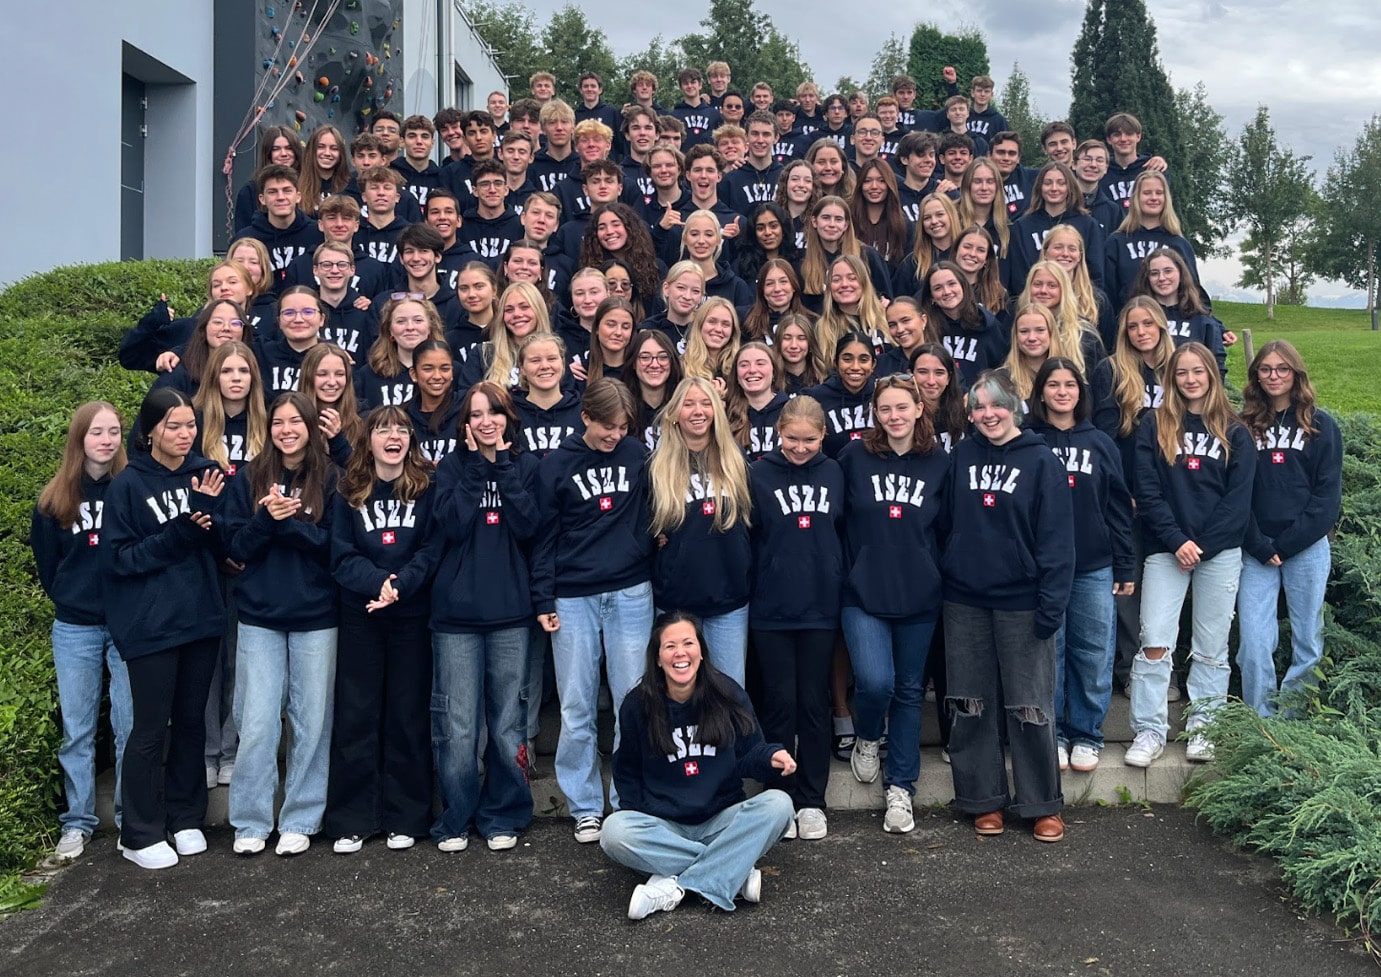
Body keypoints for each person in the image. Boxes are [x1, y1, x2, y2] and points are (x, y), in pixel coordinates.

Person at [942, 370, 1073, 843]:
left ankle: (1041, 804)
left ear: (1014, 406)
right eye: (978, 407)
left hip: (1023, 603)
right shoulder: (962, 455)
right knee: (970, 704)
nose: (988, 414)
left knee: (1030, 706)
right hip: (965, 600)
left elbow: (1057, 539)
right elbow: (945, 522)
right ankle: (984, 800)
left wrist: (1051, 604)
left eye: (996, 404)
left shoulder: (1041, 461)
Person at [601, 611, 796, 919]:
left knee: (779, 805)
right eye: (670, 646)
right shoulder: (637, 704)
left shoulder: (727, 693)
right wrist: (644, 816)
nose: (680, 653)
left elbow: (749, 754)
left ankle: (675, 885)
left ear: (701, 652)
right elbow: (626, 772)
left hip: (720, 820)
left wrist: (770, 757)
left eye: (688, 643)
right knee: (614, 832)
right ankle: (731, 872)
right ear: (657, 658)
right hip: (665, 826)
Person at [102, 388, 226, 869]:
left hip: (200, 617)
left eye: (190, 425)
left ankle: (186, 817)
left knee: (192, 723)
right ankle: (139, 832)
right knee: (150, 729)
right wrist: (183, 529)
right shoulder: (127, 486)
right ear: (150, 431)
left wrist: (213, 523)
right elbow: (121, 559)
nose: (184, 434)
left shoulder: (207, 474)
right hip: (150, 625)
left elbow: (224, 547)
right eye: (174, 426)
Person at [532, 379, 655, 844]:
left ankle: (627, 801)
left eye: (623, 427)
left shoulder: (637, 454)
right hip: (573, 596)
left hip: (631, 590)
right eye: (608, 427)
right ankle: (585, 805)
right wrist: (543, 598)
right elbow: (543, 538)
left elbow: (654, 513)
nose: (615, 435)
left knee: (632, 700)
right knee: (577, 703)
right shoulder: (556, 465)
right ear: (586, 417)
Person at [1127, 342, 1255, 767]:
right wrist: (1177, 540)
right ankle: (1149, 729)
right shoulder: (1154, 424)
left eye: (1198, 371)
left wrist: (1201, 546)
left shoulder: (1235, 431)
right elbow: (1147, 491)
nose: (1190, 379)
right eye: (1181, 372)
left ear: (1211, 375)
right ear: (1171, 378)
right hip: (1166, 549)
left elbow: (1238, 501)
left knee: (1211, 647)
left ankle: (1204, 727)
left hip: (1218, 553)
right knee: (1154, 642)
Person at [223, 392, 338, 856]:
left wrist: (289, 525)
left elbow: (335, 546)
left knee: (312, 722)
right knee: (256, 722)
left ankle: (301, 818)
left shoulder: (331, 477)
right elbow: (235, 547)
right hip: (259, 616)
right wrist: (266, 520)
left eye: (295, 422)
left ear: (310, 426)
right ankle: (251, 820)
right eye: (278, 423)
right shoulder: (249, 477)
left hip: (316, 615)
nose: (286, 430)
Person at [430, 381, 541, 852]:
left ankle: (504, 815)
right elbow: (452, 525)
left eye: (493, 413)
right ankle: (456, 816)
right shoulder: (451, 467)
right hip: (456, 618)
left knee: (508, 725)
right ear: (465, 424)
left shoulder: (526, 466)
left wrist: (504, 468)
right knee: (457, 727)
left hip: (511, 615)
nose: (485, 422)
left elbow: (529, 525)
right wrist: (478, 466)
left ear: (507, 418)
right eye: (476, 415)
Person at [326, 405, 442, 852]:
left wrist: (401, 585)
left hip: (411, 615)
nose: (393, 437)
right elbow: (340, 554)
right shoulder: (348, 489)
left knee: (407, 715)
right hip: (362, 615)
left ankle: (407, 817)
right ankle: (353, 819)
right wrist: (378, 583)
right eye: (382, 430)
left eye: (401, 430)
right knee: (356, 714)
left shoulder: (427, 487)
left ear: (411, 440)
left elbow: (432, 549)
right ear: (367, 440)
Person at [839, 373, 950, 835]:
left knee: (907, 691)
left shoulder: (939, 462)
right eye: (885, 408)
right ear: (875, 414)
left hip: (919, 593)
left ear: (919, 408)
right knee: (875, 681)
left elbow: (947, 527)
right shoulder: (853, 457)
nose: (894, 416)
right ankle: (867, 735)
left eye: (902, 407)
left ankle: (901, 787)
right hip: (863, 591)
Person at [31, 402, 134, 861]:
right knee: (78, 729)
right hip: (75, 627)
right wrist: (72, 599)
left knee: (130, 725)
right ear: (79, 439)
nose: (106, 440)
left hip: (127, 623)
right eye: (96, 432)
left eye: (113, 431)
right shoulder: (54, 500)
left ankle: (131, 817)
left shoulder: (130, 490)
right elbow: (48, 568)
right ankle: (77, 822)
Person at [1026, 359, 1134, 773]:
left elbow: (1118, 509)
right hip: (1043, 569)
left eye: (1069, 384)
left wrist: (1125, 565)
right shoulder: (1028, 441)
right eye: (1053, 384)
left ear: (1080, 391)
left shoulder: (1100, 443)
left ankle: (1087, 734)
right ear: (1040, 392)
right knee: (1048, 653)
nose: (1061, 392)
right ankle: (1051, 733)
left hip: (1093, 565)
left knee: (1093, 651)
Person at [746, 394, 844, 840]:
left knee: (814, 705)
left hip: (821, 607)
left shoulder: (835, 472)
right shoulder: (758, 474)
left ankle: (812, 801)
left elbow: (843, 531)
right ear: (777, 433)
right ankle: (779, 799)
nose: (800, 448)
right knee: (779, 704)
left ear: (823, 435)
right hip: (771, 609)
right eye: (792, 439)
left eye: (809, 440)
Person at [1237, 341, 1343, 717]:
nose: (1274, 376)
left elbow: (1326, 499)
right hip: (1256, 549)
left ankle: (1293, 720)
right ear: (1256, 375)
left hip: (1307, 547)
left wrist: (1286, 545)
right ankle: (1261, 720)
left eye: (1283, 369)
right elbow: (1235, 493)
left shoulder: (1321, 425)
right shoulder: (1243, 426)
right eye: (1266, 369)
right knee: (1253, 641)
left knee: (1308, 639)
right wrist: (1260, 544)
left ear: (1296, 373)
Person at [1090, 298, 1175, 696]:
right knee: (1128, 585)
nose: (1141, 332)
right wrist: (1124, 491)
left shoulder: (1178, 369)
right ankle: (1129, 670)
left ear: (1161, 327)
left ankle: (1167, 669)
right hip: (1126, 497)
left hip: (1172, 497)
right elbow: (1105, 439)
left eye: (1148, 324)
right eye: (1133, 326)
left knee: (1167, 587)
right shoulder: (1111, 371)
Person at [647, 378, 753, 685]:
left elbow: (753, 523)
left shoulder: (736, 461)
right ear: (674, 413)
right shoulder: (656, 467)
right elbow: (645, 528)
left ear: (717, 410)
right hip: (676, 601)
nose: (698, 411)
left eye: (706, 403)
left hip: (729, 600)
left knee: (729, 690)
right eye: (689, 404)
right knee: (678, 689)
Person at [922, 261, 1007, 389]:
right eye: (938, 288)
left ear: (963, 286)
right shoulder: (925, 328)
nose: (947, 291)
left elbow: (1000, 369)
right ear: (931, 297)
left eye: (952, 284)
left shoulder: (987, 324)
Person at [802, 330, 877, 458]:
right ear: (835, 363)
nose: (855, 367)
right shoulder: (815, 397)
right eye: (847, 359)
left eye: (863, 360)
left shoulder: (883, 395)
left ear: (873, 364)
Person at [301, 342, 364, 466]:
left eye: (339, 374)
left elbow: (359, 472)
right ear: (308, 377)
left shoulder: (364, 419)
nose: (332, 382)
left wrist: (337, 439)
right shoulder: (293, 417)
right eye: (322, 374)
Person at [725, 341, 789, 461]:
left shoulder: (791, 410)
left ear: (774, 371)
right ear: (736, 374)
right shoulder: (724, 413)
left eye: (760, 364)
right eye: (744, 365)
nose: (752, 370)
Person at [774, 313, 828, 394]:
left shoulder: (826, 378)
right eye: (787, 338)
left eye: (801, 338)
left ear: (810, 343)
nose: (793, 345)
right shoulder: (770, 379)